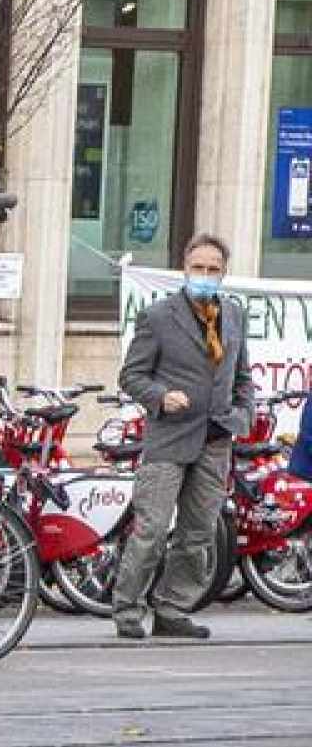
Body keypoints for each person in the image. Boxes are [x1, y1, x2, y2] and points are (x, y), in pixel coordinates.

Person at [111, 233, 253, 641]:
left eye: (214, 270)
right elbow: (131, 376)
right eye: (199, 268)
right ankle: (128, 608)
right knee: (152, 530)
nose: (205, 276)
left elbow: (242, 376)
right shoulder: (158, 317)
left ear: (224, 274)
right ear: (185, 269)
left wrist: (242, 415)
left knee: (199, 532)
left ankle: (172, 607)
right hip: (169, 439)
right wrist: (160, 396)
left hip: (215, 439)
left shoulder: (234, 315)